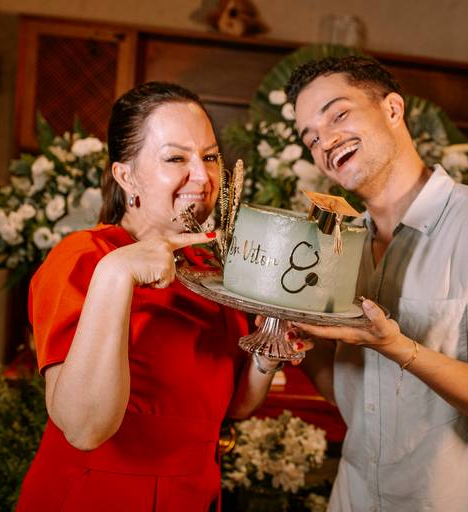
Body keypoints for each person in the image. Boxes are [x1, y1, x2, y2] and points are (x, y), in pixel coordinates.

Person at [285, 56, 468, 511]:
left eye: (338, 115)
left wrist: (398, 348)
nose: (326, 141)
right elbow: (352, 396)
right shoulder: (339, 243)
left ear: (392, 109)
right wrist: (295, 334)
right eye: (311, 138)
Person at [16, 82, 283, 511]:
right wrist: (116, 274)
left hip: (193, 493)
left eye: (209, 157)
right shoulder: (85, 257)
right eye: (176, 158)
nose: (203, 177)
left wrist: (269, 347)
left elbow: (232, 407)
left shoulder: (212, 267)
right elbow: (84, 430)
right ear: (126, 176)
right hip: (98, 494)